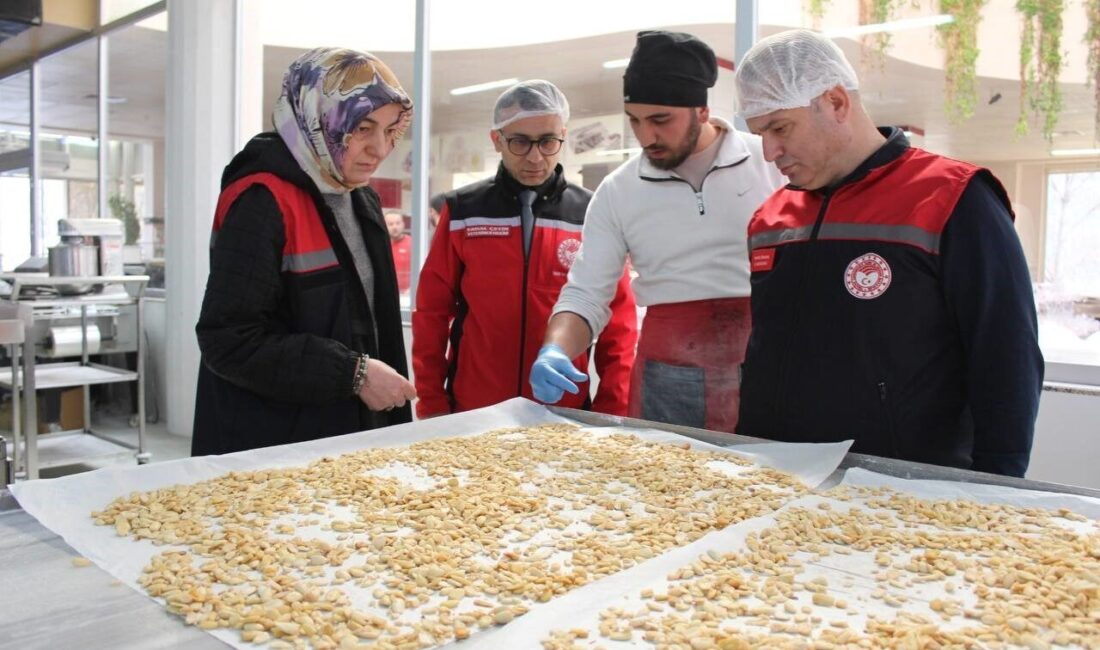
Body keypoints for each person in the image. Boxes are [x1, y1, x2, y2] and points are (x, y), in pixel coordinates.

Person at [733, 30, 1043, 477]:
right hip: (780, 474)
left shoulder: (951, 198)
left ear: (836, 102)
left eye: (780, 128)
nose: (769, 151)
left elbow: (1005, 355)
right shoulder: (771, 218)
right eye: (761, 133)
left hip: (906, 484)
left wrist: (998, 483)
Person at [530, 31, 785, 432]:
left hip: (769, 361)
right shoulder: (619, 191)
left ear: (701, 111)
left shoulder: (770, 163)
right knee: (669, 487)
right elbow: (586, 293)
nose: (646, 136)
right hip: (668, 375)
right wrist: (556, 349)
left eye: (661, 120)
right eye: (635, 121)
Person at [192, 48, 417, 456]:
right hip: (275, 444)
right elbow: (228, 340)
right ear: (317, 118)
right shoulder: (262, 199)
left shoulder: (360, 198)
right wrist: (354, 373)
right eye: (362, 128)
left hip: (349, 435)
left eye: (389, 130)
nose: (381, 149)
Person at [413, 80, 638, 418]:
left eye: (548, 141)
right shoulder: (463, 210)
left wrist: (610, 410)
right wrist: (431, 402)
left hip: (563, 411)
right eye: (520, 142)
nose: (535, 157)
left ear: (562, 135)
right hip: (474, 408)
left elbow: (618, 325)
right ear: (497, 140)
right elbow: (432, 313)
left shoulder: (591, 213)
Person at [385, 210, 412, 293]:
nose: (395, 227)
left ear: (403, 224)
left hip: (408, 295)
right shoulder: (381, 246)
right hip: (388, 293)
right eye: (390, 224)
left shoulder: (412, 244)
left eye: (398, 223)